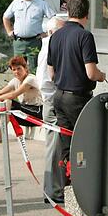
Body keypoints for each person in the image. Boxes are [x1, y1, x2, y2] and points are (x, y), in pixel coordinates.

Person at [47, 0, 106, 181]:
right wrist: (101, 75)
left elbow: (51, 73)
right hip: (78, 98)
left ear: (69, 13)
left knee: (66, 142)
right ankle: (83, 182)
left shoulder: (56, 35)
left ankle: (67, 183)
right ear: (86, 15)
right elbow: (90, 72)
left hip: (59, 95)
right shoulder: (85, 36)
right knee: (84, 142)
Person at [0, 56, 43, 145]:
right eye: (14, 70)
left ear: (25, 68)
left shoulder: (30, 79)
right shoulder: (15, 81)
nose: (16, 72)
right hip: (24, 113)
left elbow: (13, 95)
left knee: (7, 101)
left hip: (36, 112)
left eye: (19, 69)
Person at [36, 14, 67, 205]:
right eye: (60, 31)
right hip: (52, 102)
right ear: (51, 32)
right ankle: (53, 190)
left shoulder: (51, 45)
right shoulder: (49, 48)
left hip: (54, 101)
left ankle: (55, 188)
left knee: (57, 147)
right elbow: (44, 81)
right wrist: (53, 99)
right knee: (54, 147)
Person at [3, 0, 56, 71]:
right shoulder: (16, 3)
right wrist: (9, 31)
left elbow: (53, 19)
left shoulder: (41, 4)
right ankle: (20, 85)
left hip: (34, 41)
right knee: (17, 68)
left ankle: (32, 85)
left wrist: (46, 33)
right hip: (19, 42)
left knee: (34, 69)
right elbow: (5, 17)